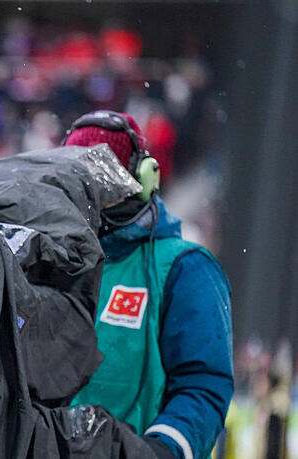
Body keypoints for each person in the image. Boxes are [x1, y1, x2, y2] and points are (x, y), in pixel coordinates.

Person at [63, 110, 234, 459]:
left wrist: (160, 450)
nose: (91, 196)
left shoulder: (186, 269)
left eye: (103, 180)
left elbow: (203, 384)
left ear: (142, 179)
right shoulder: (49, 261)